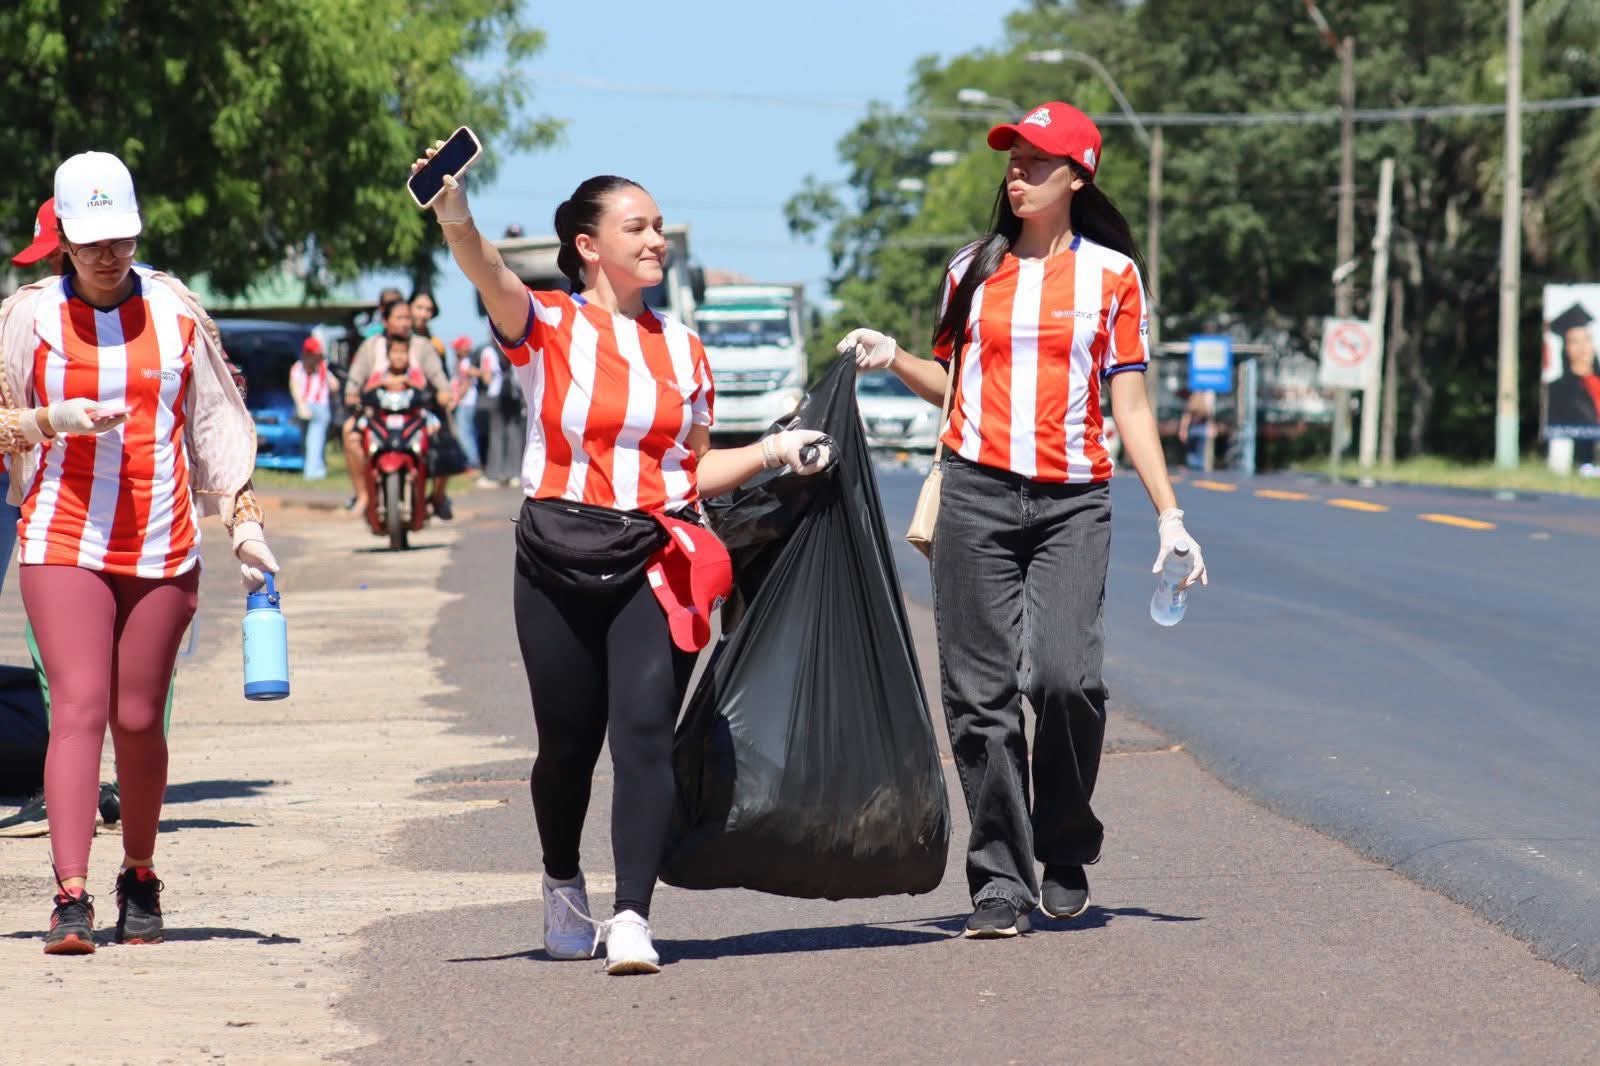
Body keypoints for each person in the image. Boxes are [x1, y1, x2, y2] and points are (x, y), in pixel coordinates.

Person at [415, 140, 831, 975]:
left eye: (658, 227)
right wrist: (455, 214)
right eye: (636, 227)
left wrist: (775, 451)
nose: (655, 240)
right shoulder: (545, 323)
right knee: (567, 745)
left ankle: (634, 915)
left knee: (643, 734)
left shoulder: (685, 349)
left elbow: (694, 469)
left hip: (655, 554)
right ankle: (562, 884)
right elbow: (487, 269)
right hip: (556, 556)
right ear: (589, 245)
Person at [837, 101, 1209, 939]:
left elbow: (1130, 402)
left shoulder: (1113, 276)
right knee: (980, 697)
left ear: (1077, 176)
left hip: (1072, 500)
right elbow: (953, 385)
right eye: (1012, 160)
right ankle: (1000, 880)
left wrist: (1171, 516)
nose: (1017, 175)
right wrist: (894, 357)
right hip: (975, 493)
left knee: (1066, 680)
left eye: (1037, 162)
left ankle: (1064, 842)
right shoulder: (971, 269)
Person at [0, 151, 279, 954]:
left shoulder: (175, 310)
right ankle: (70, 896)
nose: (108, 255)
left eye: (120, 238)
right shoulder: (28, 318)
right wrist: (50, 421)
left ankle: (140, 873)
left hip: (162, 538)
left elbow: (216, 423)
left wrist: (244, 522)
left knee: (138, 717)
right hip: (62, 533)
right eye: (92, 241)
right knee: (79, 706)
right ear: (63, 239)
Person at [340, 298, 453, 517]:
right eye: (399, 318)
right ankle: (363, 495)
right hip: (376, 414)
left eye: (407, 318)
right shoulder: (371, 346)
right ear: (385, 321)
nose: (404, 323)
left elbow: (437, 375)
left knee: (444, 436)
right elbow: (356, 377)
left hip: (415, 414)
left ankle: (438, 497)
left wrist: (444, 392)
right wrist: (352, 394)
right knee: (349, 433)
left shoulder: (422, 346)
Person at [1546, 303, 1600, 465]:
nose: (1584, 348)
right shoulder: (1556, 389)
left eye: (1587, 339)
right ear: (1566, 348)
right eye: (1575, 342)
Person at [289, 335, 333, 479]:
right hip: (308, 406)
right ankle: (313, 471)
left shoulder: (322, 367)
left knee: (315, 439)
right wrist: (301, 405)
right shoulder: (299, 368)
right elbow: (295, 387)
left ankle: (313, 470)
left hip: (319, 408)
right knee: (312, 440)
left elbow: (334, 385)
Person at [449, 335, 484, 474]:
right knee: (470, 433)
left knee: (465, 434)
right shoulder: (467, 362)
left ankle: (472, 464)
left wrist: (456, 399)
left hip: (465, 403)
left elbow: (466, 383)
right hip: (467, 402)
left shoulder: (464, 363)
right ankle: (473, 462)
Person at [1179, 390, 1213, 471]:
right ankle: (1199, 467)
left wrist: (1183, 430)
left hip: (1193, 429)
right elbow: (1209, 417)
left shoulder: (1191, 404)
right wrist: (1210, 428)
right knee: (1200, 451)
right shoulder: (1204, 405)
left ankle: (1192, 467)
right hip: (1201, 429)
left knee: (1191, 452)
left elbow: (1186, 418)